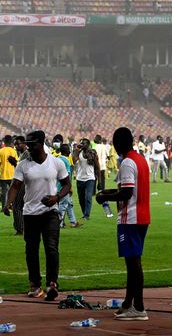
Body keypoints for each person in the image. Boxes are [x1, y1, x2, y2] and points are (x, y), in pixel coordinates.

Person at [3, 130, 70, 301]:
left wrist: (57, 197)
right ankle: (35, 284)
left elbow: (67, 185)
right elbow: (15, 187)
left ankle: (52, 284)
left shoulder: (56, 163)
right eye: (28, 144)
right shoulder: (23, 165)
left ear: (40, 143)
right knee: (31, 250)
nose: (28, 147)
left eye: (31, 144)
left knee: (51, 248)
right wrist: (8, 203)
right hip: (30, 213)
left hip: (50, 212)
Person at [96, 127, 150, 321]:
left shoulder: (127, 162)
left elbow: (126, 193)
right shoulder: (140, 159)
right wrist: (106, 193)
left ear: (119, 143)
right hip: (142, 216)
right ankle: (128, 304)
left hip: (130, 217)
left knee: (133, 263)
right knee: (132, 261)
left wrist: (105, 198)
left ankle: (139, 307)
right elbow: (126, 188)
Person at [73, 138, 99, 219]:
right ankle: (84, 213)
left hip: (90, 178)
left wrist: (100, 182)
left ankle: (87, 215)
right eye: (81, 143)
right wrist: (76, 150)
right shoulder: (79, 152)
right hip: (80, 178)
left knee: (88, 197)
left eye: (83, 143)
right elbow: (74, 161)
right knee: (81, 199)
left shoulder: (93, 153)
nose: (81, 144)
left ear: (88, 144)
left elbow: (98, 167)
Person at [57, 143, 81, 228]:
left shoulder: (58, 159)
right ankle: (59, 223)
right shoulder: (66, 161)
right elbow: (67, 176)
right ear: (68, 151)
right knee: (63, 205)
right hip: (64, 187)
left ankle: (73, 222)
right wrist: (69, 188)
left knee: (69, 204)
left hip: (57, 186)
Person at [0, 135, 18, 208]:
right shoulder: (13, 151)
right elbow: (16, 163)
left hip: (3, 175)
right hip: (12, 175)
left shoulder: (0, 151)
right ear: (11, 142)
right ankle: (13, 206)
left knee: (4, 192)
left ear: (4, 142)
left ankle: (4, 207)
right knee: (13, 192)